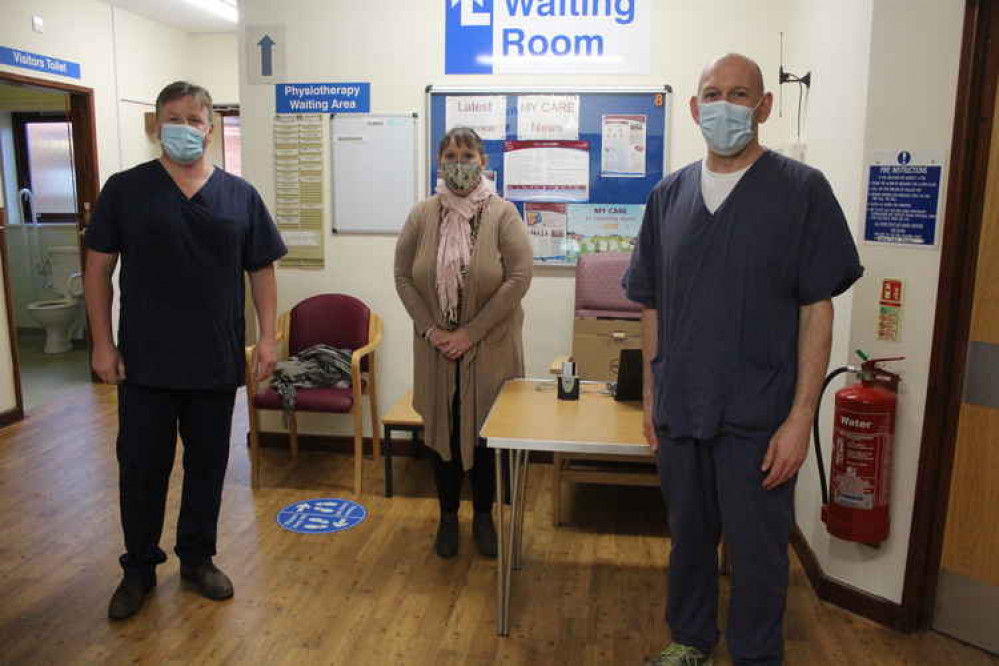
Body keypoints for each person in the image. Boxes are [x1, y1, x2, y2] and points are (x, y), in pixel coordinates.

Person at [625, 55, 863, 666]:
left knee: (758, 553)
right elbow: (649, 302)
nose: (724, 105)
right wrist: (653, 396)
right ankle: (691, 639)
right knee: (689, 542)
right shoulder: (667, 196)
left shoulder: (801, 192)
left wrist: (799, 419)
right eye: (712, 94)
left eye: (739, 94)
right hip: (682, 407)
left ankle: (756, 656)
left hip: (760, 416)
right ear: (694, 107)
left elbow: (818, 309)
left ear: (764, 107)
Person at [84, 81, 287, 620]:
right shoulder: (126, 190)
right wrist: (102, 344)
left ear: (210, 126)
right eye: (172, 118)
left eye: (194, 119)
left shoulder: (239, 195)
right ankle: (139, 569)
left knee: (207, 466)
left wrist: (267, 338)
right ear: (156, 126)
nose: (184, 127)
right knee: (141, 468)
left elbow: (262, 271)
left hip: (215, 362)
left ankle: (197, 560)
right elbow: (98, 269)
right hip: (145, 361)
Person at [394, 127, 532, 559]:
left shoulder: (503, 214)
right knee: (444, 433)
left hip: (489, 348)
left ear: (483, 162)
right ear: (439, 162)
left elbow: (519, 278)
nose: (459, 163)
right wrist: (433, 331)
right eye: (450, 155)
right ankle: (449, 517)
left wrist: (470, 333)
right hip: (436, 350)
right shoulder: (422, 215)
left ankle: (485, 517)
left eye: (467, 154)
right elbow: (402, 277)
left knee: (483, 437)